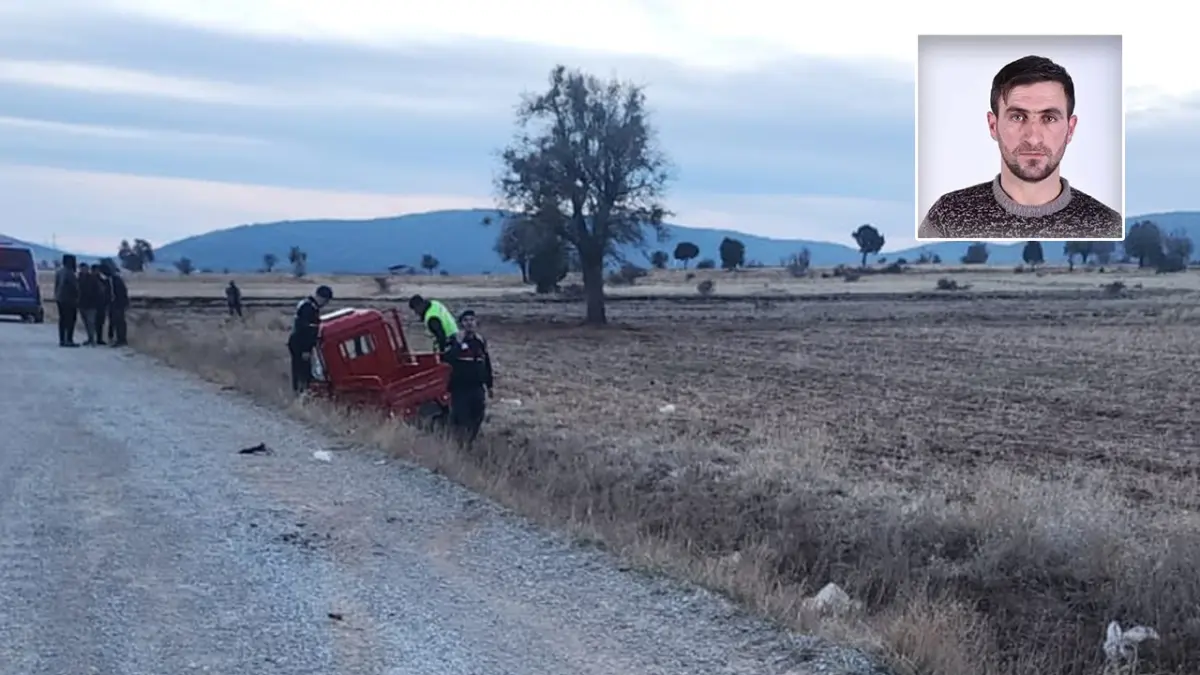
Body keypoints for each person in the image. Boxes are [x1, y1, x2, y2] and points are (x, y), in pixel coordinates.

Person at [918, 55, 1123, 240]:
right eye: (1017, 117)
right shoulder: (948, 217)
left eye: (1049, 118)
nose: (1033, 138)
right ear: (993, 125)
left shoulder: (1107, 224)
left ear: (1070, 129)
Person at [441, 310, 494, 447]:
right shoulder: (453, 340)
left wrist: (489, 385)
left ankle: (469, 443)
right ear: (461, 324)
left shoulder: (480, 341)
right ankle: (459, 446)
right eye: (466, 320)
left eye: (472, 320)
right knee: (462, 418)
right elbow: (446, 358)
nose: (469, 323)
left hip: (477, 387)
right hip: (460, 388)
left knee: (478, 416)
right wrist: (458, 345)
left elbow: (486, 363)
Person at [287, 285, 333, 395]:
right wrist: (306, 349)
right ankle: (301, 394)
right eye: (325, 301)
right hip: (300, 344)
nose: (325, 304)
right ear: (321, 297)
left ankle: (299, 393)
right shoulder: (309, 308)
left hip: (296, 342)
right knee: (303, 372)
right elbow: (305, 330)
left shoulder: (306, 304)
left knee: (299, 370)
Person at [53, 253, 80, 347]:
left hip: (60, 299)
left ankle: (62, 339)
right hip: (69, 300)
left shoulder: (59, 271)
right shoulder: (70, 273)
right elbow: (75, 287)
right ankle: (68, 339)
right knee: (70, 320)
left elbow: (56, 285)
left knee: (62, 320)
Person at [77, 262, 102, 346]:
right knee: (86, 323)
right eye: (82, 268)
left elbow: (99, 291)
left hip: (92, 304)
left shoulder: (93, 279)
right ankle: (90, 338)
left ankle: (92, 339)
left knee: (91, 322)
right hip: (82, 304)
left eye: (85, 268)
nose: (83, 270)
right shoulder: (78, 278)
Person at [106, 262, 130, 347]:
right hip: (114, 304)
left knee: (119, 322)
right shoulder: (110, 280)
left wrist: (123, 303)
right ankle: (116, 338)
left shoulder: (116, 280)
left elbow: (122, 292)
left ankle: (121, 340)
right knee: (114, 321)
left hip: (118, 304)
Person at [94, 265, 112, 345]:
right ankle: (95, 338)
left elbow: (108, 292)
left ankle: (98, 338)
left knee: (100, 322)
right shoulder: (91, 280)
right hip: (95, 304)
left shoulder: (104, 281)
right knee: (95, 322)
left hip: (101, 304)